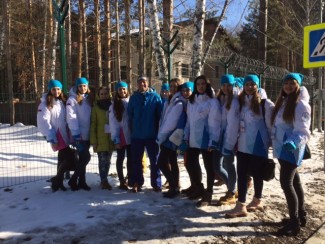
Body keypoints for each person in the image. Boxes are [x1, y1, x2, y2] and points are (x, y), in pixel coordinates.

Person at [225, 74, 273, 218]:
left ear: (257, 86)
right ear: (243, 86)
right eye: (247, 84)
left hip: (259, 144)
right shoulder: (239, 102)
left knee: (257, 174)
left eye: (253, 84)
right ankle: (241, 205)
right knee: (242, 174)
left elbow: (271, 126)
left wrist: (270, 143)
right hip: (243, 144)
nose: (250, 87)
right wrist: (232, 141)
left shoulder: (266, 104)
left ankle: (257, 200)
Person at [271, 73, 311, 236]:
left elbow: (303, 131)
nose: (288, 86)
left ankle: (294, 223)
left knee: (286, 184)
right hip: (282, 148)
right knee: (295, 182)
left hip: (292, 150)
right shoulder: (283, 102)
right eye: (285, 83)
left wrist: (293, 142)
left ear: (298, 85)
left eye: (292, 83)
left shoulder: (301, 105)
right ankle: (300, 215)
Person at [183, 75, 221, 207]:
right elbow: (189, 121)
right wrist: (186, 135)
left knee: (208, 167)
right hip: (193, 137)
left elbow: (214, 124)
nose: (200, 86)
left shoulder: (212, 102)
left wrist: (213, 140)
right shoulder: (192, 101)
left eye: (203, 84)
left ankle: (208, 194)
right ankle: (198, 187)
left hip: (206, 139)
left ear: (207, 85)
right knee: (189, 163)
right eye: (198, 84)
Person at [127, 76, 163, 192]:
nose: (142, 84)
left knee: (155, 161)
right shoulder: (133, 98)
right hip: (137, 135)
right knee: (136, 160)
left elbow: (160, 117)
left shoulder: (156, 97)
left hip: (152, 135)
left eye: (144, 82)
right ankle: (138, 182)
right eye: (139, 82)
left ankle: (156, 183)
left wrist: (159, 132)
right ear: (137, 84)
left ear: (148, 83)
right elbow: (130, 115)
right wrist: (131, 130)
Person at [37, 79, 73, 192]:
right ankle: (57, 180)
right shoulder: (45, 103)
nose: (56, 91)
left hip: (64, 133)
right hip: (57, 134)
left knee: (62, 159)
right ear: (50, 90)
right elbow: (43, 122)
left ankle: (58, 183)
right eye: (54, 89)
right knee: (71, 159)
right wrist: (51, 136)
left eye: (58, 89)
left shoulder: (62, 101)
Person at [156, 78, 185, 198]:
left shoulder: (178, 103)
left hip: (170, 136)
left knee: (161, 162)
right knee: (172, 161)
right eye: (171, 86)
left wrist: (161, 137)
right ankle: (175, 187)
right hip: (169, 135)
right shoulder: (170, 101)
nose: (172, 88)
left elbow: (170, 123)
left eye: (175, 86)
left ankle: (173, 186)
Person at [215, 74, 240, 206]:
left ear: (233, 85)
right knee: (218, 166)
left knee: (229, 165)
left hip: (229, 138)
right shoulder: (221, 98)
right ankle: (233, 188)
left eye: (229, 85)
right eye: (223, 85)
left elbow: (233, 125)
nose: (226, 87)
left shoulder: (234, 101)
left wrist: (229, 144)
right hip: (220, 137)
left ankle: (231, 192)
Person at [66, 77, 92, 191]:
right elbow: (71, 118)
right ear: (77, 87)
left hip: (88, 134)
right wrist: (76, 134)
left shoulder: (89, 98)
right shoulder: (72, 100)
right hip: (78, 135)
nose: (83, 88)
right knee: (86, 157)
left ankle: (82, 182)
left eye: (85, 86)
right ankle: (73, 180)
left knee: (82, 159)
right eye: (80, 86)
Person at [90, 86, 115, 190]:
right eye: (102, 94)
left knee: (108, 160)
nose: (104, 95)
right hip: (100, 139)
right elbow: (93, 124)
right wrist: (94, 141)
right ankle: (103, 180)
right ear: (98, 96)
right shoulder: (96, 108)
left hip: (110, 138)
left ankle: (104, 179)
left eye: (105, 93)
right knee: (102, 160)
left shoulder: (112, 106)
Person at [109, 81, 131, 190]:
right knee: (120, 158)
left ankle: (129, 178)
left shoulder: (131, 101)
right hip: (121, 135)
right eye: (119, 89)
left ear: (127, 89)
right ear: (116, 91)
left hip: (131, 134)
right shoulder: (114, 105)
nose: (122, 91)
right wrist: (115, 138)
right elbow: (113, 123)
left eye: (124, 89)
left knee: (131, 159)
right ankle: (122, 180)